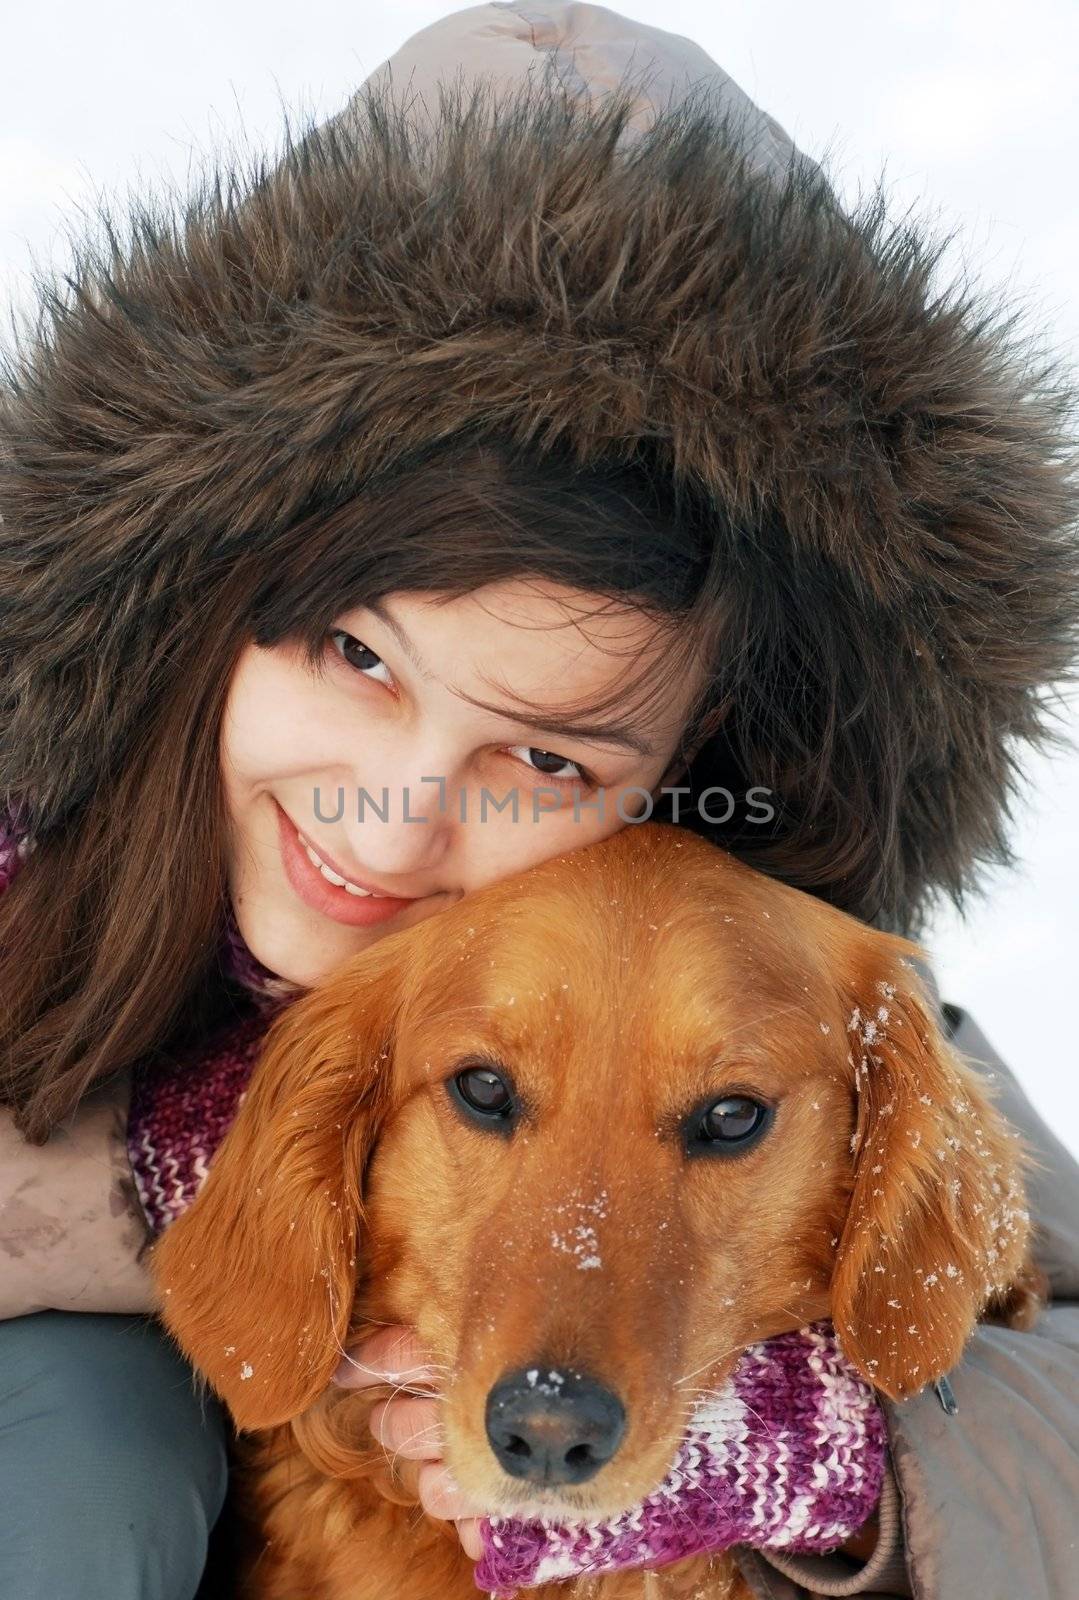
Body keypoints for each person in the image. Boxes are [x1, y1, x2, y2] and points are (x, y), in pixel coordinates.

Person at [1, 5, 1077, 1598]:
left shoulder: (698, 951)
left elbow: (1041, 1309)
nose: (393, 815)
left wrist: (821, 1461)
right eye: (354, 652)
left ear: (686, 779)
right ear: (198, 595)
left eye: (549, 756)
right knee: (86, 1456)